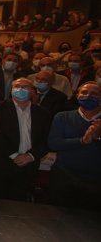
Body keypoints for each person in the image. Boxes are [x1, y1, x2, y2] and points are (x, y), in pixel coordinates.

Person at [0, 78, 50, 201]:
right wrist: (14, 155)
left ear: (33, 92)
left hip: (28, 165)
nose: (20, 89)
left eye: (25, 87)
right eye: (17, 86)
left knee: (20, 202)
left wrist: (31, 156)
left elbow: (46, 139)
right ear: (11, 90)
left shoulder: (43, 113)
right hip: (2, 163)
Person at [48, 82, 101, 210]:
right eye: (84, 92)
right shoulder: (63, 117)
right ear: (77, 96)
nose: (88, 96)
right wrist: (82, 141)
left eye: (94, 94)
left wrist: (98, 137)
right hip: (64, 177)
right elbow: (54, 143)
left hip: (96, 181)